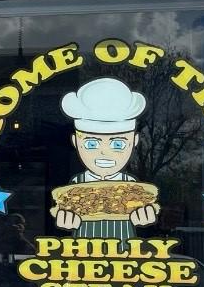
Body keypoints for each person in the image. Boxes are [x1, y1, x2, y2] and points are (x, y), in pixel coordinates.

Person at [54, 77, 157, 242]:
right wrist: (66, 218)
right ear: (76, 142)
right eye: (91, 143)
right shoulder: (76, 185)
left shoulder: (133, 186)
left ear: (134, 142)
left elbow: (145, 218)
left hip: (124, 257)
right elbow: (65, 211)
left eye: (117, 144)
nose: (103, 153)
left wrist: (144, 217)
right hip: (82, 258)